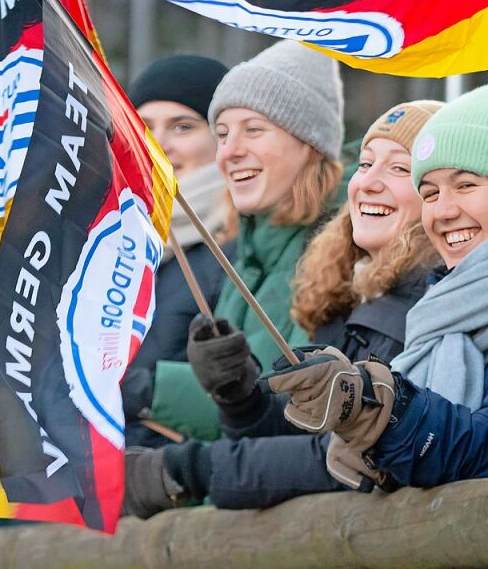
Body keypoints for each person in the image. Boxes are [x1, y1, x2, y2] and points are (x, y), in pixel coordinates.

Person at [264, 84, 488, 492]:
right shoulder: (439, 304)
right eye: (430, 192)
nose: (443, 211)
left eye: (465, 186)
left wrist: (380, 411)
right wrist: (243, 402)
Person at [122, 101, 443, 517]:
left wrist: (188, 464)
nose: (370, 182)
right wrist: (241, 396)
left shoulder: (419, 302)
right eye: (365, 164)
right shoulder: (338, 283)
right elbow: (305, 423)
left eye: (400, 168)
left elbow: (355, 455)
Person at [142, 41, 347, 441]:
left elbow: (290, 409)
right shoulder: (248, 250)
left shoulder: (344, 248)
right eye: (223, 133)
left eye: (254, 130)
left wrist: (146, 391)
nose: (229, 151)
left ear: (309, 141)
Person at [119, 54, 234, 447]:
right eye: (144, 126)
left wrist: (129, 386)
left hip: (182, 486)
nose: (159, 144)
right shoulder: (116, 241)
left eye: (182, 127)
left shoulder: (235, 249)